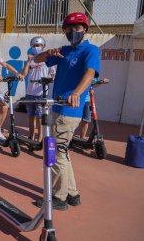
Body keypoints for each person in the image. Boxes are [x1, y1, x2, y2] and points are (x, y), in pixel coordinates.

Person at [33, 12, 100, 210]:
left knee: (55, 153)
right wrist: (48, 53)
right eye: (69, 29)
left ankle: (59, 198)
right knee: (63, 153)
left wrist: (77, 93)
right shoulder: (63, 51)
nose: (73, 31)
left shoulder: (90, 50)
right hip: (57, 107)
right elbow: (37, 59)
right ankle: (72, 193)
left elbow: (89, 74)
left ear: (85, 29)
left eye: (77, 28)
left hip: (69, 110)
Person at [20, 36, 55, 144]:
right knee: (31, 116)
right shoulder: (31, 60)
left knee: (40, 118)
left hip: (41, 93)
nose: (36, 48)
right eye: (34, 46)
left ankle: (39, 138)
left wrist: (49, 80)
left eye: (38, 45)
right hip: (30, 92)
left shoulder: (48, 59)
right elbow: (23, 74)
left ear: (43, 47)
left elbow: (53, 74)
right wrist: (27, 62)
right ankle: (31, 135)